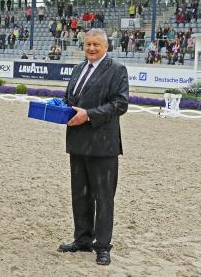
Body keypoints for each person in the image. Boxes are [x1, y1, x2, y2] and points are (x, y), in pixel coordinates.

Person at [58, 28, 129, 266]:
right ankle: (82, 239)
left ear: (106, 47)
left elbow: (120, 104)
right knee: (80, 195)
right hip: (77, 142)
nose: (91, 48)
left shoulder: (117, 70)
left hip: (103, 145)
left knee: (103, 198)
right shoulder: (79, 69)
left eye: (96, 45)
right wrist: (59, 107)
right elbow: (70, 98)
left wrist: (89, 115)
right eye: (88, 44)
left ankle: (102, 246)